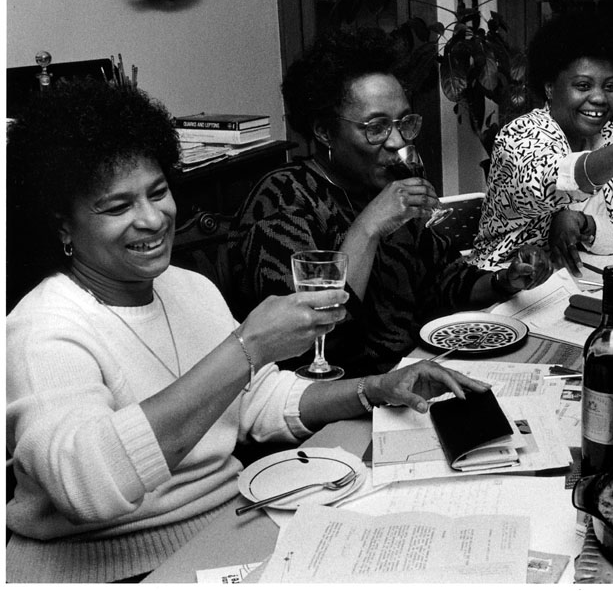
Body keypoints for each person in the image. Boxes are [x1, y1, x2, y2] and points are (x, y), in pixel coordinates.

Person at [5, 78, 490, 583]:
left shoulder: (188, 288)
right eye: (117, 207)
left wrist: (373, 389)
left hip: (227, 528)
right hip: (109, 568)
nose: (151, 220)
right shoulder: (41, 330)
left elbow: (256, 403)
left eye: (157, 192)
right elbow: (88, 485)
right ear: (62, 224)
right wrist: (248, 345)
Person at [229, 28, 551, 376]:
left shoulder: (389, 184)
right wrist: (369, 225)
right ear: (324, 131)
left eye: (403, 123)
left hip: (412, 375)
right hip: (331, 397)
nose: (397, 141)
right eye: (376, 127)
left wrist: (506, 280)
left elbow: (446, 282)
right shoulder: (284, 198)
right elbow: (305, 338)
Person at [469, 11, 613, 274]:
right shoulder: (520, 136)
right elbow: (551, 181)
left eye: (609, 86)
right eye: (583, 86)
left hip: (585, 282)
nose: (600, 98)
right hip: (503, 283)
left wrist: (585, 224)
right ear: (549, 87)